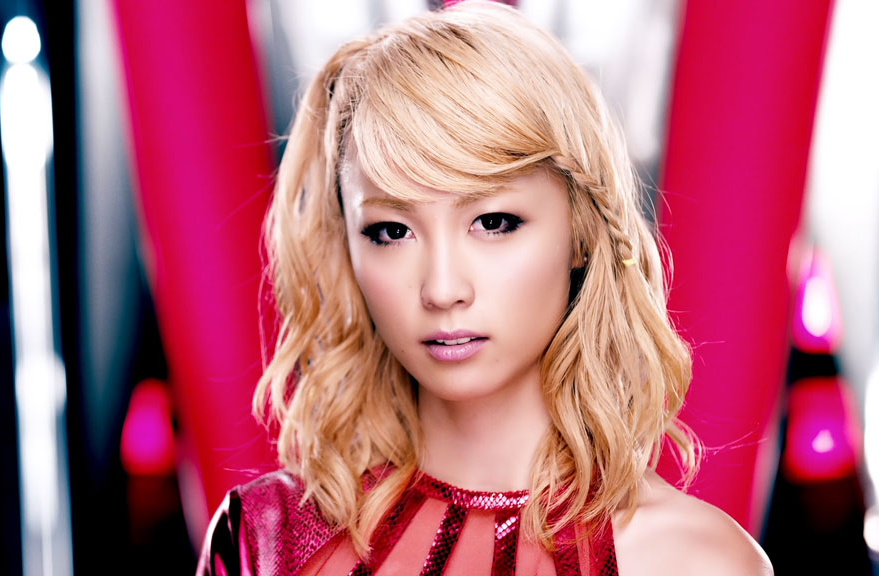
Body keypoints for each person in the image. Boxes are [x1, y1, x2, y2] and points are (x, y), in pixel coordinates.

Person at [198, 2, 773, 574]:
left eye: (493, 222)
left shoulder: (697, 562)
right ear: (347, 245)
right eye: (391, 231)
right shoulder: (264, 540)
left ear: (581, 232)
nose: (442, 289)